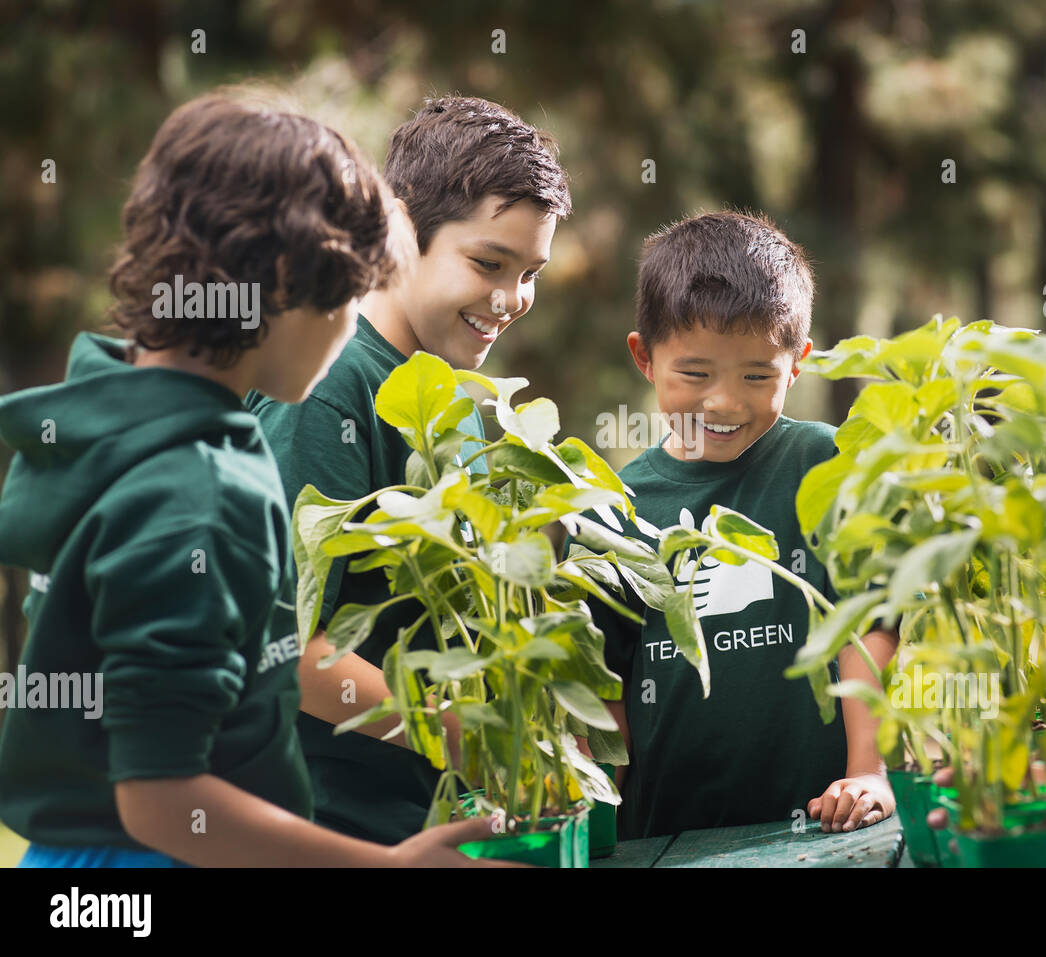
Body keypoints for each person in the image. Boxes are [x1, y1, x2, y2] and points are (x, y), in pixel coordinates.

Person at [0, 93, 498, 866]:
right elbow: (162, 797)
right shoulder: (194, 491)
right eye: (346, 295)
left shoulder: (110, 410)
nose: (349, 326)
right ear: (286, 286)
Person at [247, 95, 572, 845]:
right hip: (327, 829)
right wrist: (470, 736)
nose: (511, 298)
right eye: (489, 262)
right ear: (397, 227)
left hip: (421, 824)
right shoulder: (327, 387)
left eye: (531, 273)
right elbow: (286, 648)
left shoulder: (444, 398)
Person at [578, 211, 899, 840]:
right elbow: (607, 683)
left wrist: (869, 769)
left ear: (798, 363)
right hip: (665, 836)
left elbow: (870, 624)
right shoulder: (615, 504)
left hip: (827, 827)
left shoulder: (826, 464)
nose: (724, 402)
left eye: (757, 375)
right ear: (644, 358)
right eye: (695, 373)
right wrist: (599, 812)